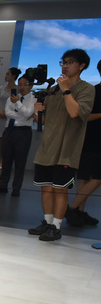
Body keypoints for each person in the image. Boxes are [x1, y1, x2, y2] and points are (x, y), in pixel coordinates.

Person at [28, 49, 94, 242]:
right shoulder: (53, 90)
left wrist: (66, 89)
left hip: (67, 149)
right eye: (63, 62)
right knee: (46, 187)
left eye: (70, 62)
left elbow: (75, 113)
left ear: (82, 66)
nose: (65, 66)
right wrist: (37, 112)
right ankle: (47, 223)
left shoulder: (86, 89)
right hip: (47, 147)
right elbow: (43, 121)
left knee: (60, 189)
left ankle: (56, 227)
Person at [65, 60, 101, 228]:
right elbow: (83, 115)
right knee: (95, 177)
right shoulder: (94, 91)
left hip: (90, 139)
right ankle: (73, 209)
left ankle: (78, 211)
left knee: (87, 178)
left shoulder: (93, 89)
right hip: (93, 139)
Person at [0, 74, 36, 197]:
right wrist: (23, 115)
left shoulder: (34, 99)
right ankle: (2, 185)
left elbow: (28, 113)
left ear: (31, 86)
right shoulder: (11, 98)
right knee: (6, 159)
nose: (21, 87)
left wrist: (18, 104)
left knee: (20, 161)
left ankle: (16, 188)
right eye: (20, 84)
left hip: (23, 132)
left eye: (25, 85)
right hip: (9, 130)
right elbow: (8, 113)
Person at [0, 67, 21, 168]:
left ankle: (3, 162)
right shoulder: (1, 88)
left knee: (6, 140)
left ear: (13, 76)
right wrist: (0, 111)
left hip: (10, 117)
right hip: (0, 116)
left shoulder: (17, 89)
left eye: (8, 74)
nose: (6, 76)